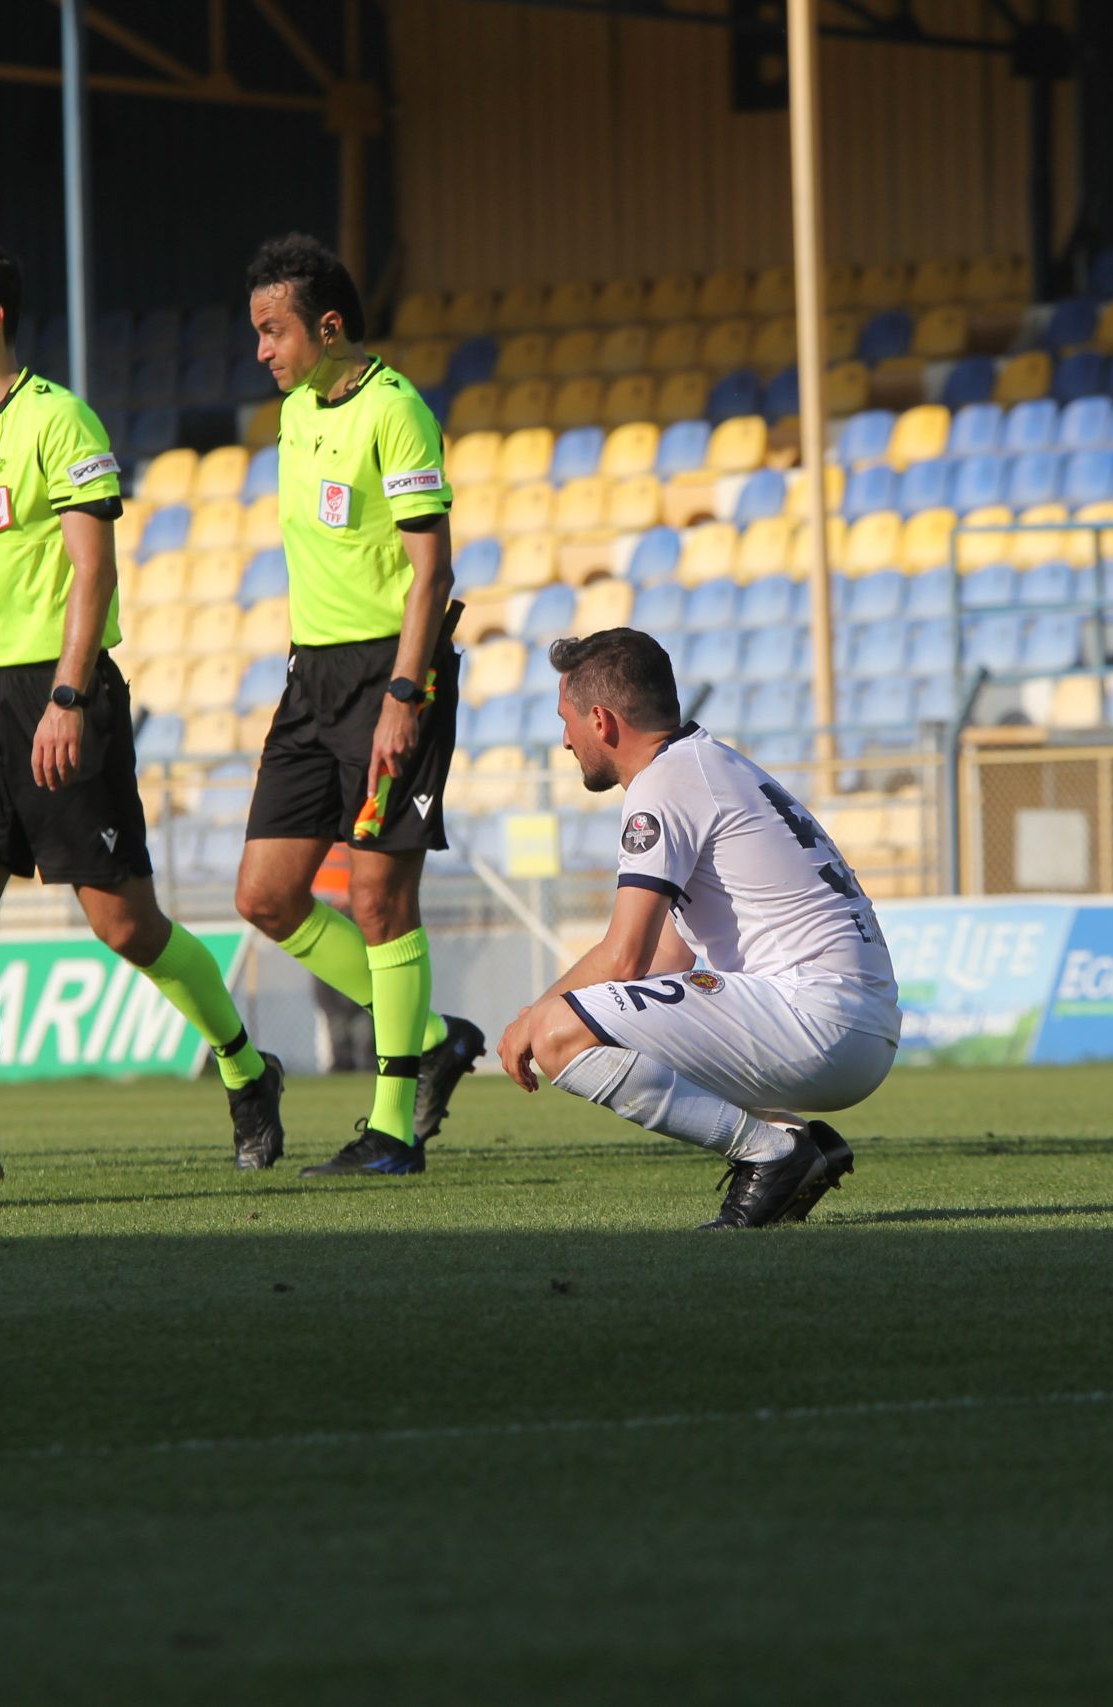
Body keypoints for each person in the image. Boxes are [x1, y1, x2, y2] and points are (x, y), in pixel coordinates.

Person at [0, 236, 284, 1184]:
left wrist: (68, 694)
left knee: (126, 925)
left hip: (62, 692)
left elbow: (92, 568)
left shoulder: (61, 421)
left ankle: (245, 1066)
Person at [496, 630, 895, 1228]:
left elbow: (623, 958)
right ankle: (794, 1143)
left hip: (817, 1017)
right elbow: (666, 958)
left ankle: (773, 1153)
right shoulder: (709, 764)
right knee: (585, 1017)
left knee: (559, 1032)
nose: (564, 740)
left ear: (601, 721)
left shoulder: (665, 784)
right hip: (853, 1024)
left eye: (567, 720)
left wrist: (534, 1017)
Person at [232, 233, 482, 1178]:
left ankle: (392, 1131)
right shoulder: (298, 413)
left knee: (379, 898)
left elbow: (432, 569)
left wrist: (403, 695)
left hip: (392, 674)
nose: (263, 350)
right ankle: (432, 1036)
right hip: (310, 682)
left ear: (328, 327)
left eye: (274, 330)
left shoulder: (397, 411)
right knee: (265, 894)